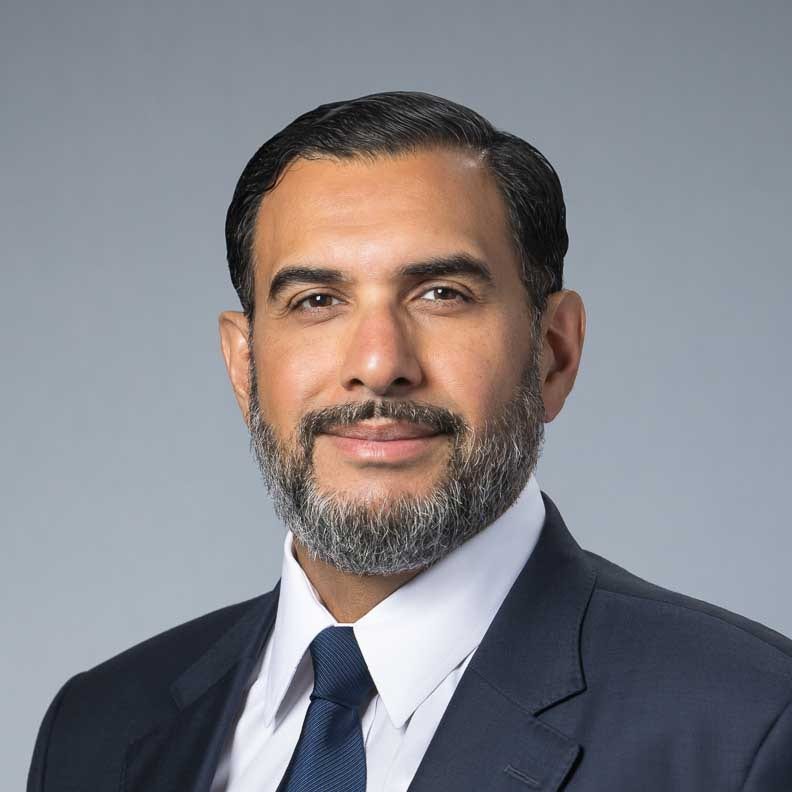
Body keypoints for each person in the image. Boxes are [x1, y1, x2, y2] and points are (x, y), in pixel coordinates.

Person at [27, 91, 792, 792]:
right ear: (244, 365)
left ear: (554, 352)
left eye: (441, 295)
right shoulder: (96, 731)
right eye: (317, 300)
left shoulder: (747, 727)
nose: (379, 365)